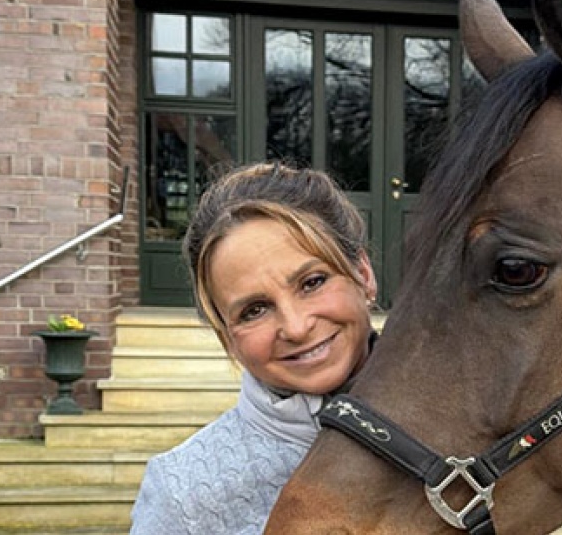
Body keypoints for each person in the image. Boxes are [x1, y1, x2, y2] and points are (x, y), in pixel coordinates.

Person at [130, 163, 378, 535]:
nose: (296, 327)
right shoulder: (185, 492)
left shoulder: (472, 422)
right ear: (227, 338)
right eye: (254, 310)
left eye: (312, 282)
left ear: (363, 275)